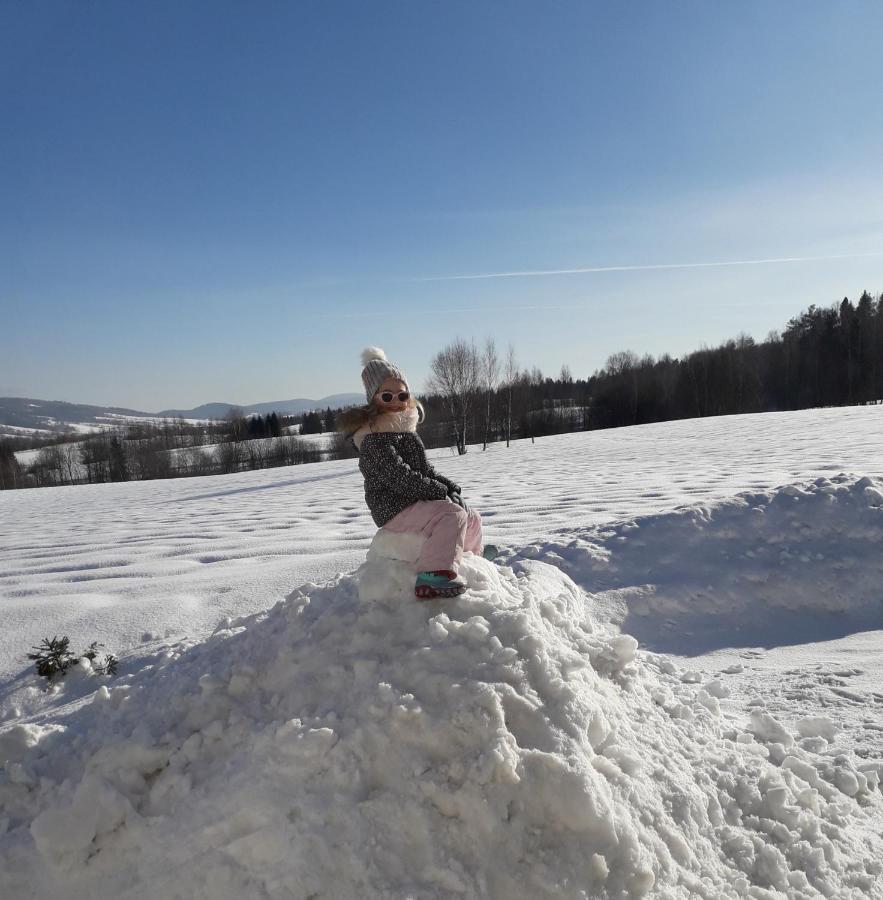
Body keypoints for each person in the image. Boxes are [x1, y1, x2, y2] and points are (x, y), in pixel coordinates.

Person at [338, 347, 490, 600]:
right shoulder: (374, 440)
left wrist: (449, 488)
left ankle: (473, 556)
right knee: (450, 515)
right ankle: (432, 576)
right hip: (393, 507)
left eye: (402, 394)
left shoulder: (408, 433)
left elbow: (424, 470)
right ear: (374, 399)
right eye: (387, 396)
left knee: (470, 515)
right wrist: (439, 493)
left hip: (415, 500)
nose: (396, 401)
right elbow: (400, 477)